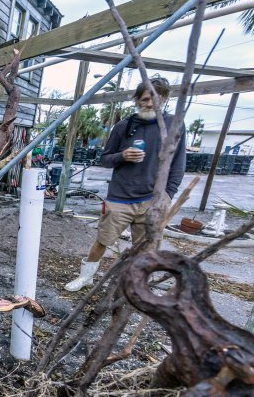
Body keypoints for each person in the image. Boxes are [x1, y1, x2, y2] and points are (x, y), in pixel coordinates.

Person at [64, 78, 186, 292]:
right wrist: (122, 156)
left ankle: (137, 285)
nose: (151, 104)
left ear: (165, 99)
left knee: (145, 247)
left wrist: (168, 194)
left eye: (157, 100)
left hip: (152, 199)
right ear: (137, 100)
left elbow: (179, 163)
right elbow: (105, 158)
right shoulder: (124, 126)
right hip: (120, 197)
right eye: (146, 99)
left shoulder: (174, 125)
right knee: (103, 240)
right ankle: (86, 277)